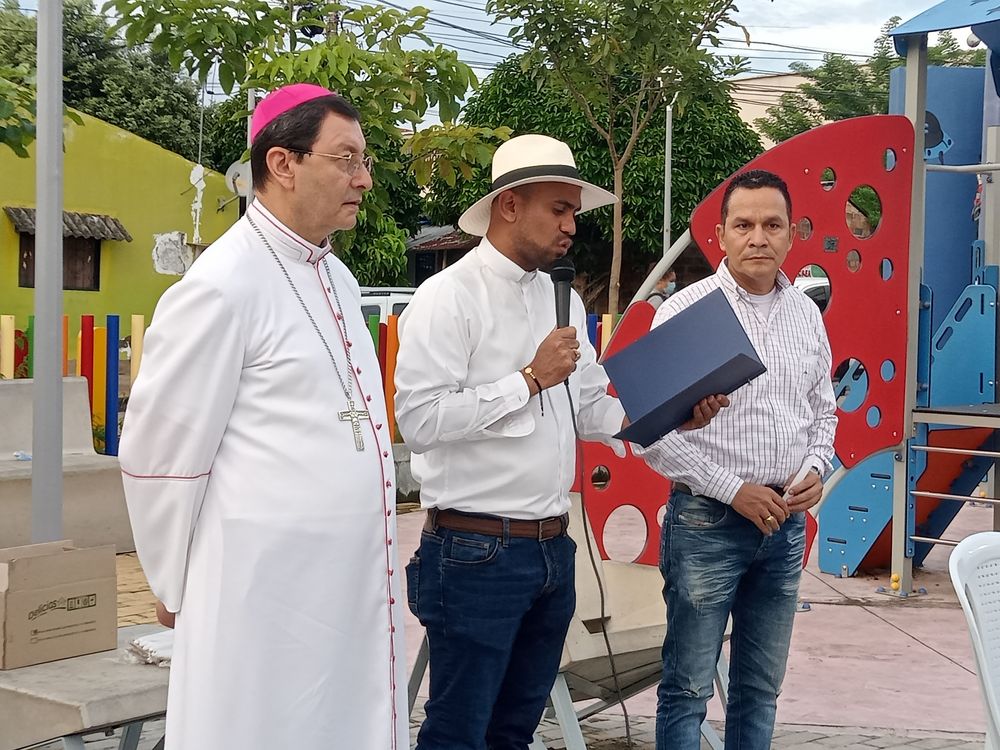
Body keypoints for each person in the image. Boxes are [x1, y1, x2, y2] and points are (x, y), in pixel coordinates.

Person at [394, 133, 726, 750]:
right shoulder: (448, 297)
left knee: (515, 730)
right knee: (458, 732)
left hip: (550, 547)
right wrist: (527, 379)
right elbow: (419, 420)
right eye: (559, 208)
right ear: (510, 205)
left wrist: (674, 412)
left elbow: (592, 407)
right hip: (475, 548)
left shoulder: (562, 295)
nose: (572, 224)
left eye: (574, 211)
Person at [118, 84, 406, 750]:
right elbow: (162, 451)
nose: (363, 178)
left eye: (363, 161)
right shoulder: (224, 282)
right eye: (346, 159)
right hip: (259, 593)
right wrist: (170, 577)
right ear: (282, 164)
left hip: (343, 585)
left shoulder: (337, 277)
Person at [640, 169, 838, 750]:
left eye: (772, 225)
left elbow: (823, 411)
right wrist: (733, 490)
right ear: (720, 235)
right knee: (688, 688)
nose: (759, 238)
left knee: (761, 687)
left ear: (792, 234)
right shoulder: (683, 313)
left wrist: (815, 471)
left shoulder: (806, 313)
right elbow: (653, 435)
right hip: (707, 522)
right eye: (744, 224)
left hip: (785, 524)